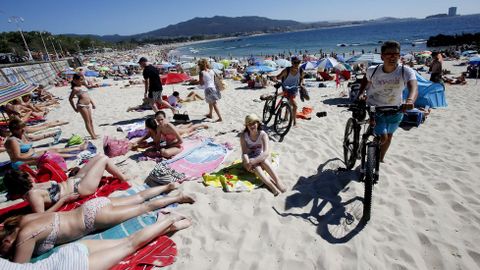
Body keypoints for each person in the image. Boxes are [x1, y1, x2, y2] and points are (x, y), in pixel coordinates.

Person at [0, 184, 194, 263]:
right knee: (139, 197)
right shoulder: (23, 220)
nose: (5, 252)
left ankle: (176, 197)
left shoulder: (26, 236)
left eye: (3, 248)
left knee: (145, 208)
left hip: (92, 219)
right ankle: (170, 189)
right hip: (90, 207)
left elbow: (20, 267)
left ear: (7, 239)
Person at [0, 211, 190, 269]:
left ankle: (170, 219)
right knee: (130, 241)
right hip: (68, 251)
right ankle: (169, 225)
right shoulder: (25, 223)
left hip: (72, 265)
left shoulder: (25, 236)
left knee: (131, 244)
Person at [2, 153, 131, 213]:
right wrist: (63, 200)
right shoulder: (32, 194)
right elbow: (41, 216)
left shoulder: (32, 187)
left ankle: (122, 176)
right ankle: (124, 178)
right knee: (104, 159)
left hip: (74, 181)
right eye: (26, 176)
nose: (29, 175)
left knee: (98, 156)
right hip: (80, 188)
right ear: (22, 181)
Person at [357, 40, 418, 162]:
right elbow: (365, 79)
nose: (393, 57)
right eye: (389, 54)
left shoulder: (405, 71)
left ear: (399, 56)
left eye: (396, 54)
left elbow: (414, 86)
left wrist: (410, 100)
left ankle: (380, 159)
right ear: (382, 56)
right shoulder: (373, 70)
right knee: (383, 136)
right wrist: (361, 93)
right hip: (375, 107)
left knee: (389, 136)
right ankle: (370, 152)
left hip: (396, 108)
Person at [4, 118, 86, 170]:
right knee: (49, 155)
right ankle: (75, 156)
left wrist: (51, 134)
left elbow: (35, 138)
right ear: (14, 130)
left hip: (30, 155)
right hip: (20, 162)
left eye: (23, 128)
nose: (23, 130)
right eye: (21, 129)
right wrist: (34, 156)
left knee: (53, 150)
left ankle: (78, 148)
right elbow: (17, 157)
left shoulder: (22, 134)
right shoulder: (13, 141)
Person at [239, 114, 286, 196]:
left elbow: (266, 152)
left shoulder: (263, 134)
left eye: (254, 123)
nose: (252, 126)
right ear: (246, 126)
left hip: (260, 157)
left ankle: (278, 182)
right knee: (256, 167)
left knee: (263, 160)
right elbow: (244, 152)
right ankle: (271, 186)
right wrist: (247, 162)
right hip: (249, 159)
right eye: (249, 124)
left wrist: (254, 161)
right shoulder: (243, 135)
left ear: (258, 123)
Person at [276, 56, 304, 126]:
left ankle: (286, 117)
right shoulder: (286, 70)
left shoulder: (301, 70)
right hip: (286, 89)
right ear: (292, 63)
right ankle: (294, 121)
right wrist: (276, 78)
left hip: (294, 89)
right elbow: (278, 77)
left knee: (289, 102)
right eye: (295, 62)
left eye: (298, 62)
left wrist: (301, 84)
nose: (297, 64)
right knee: (295, 106)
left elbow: (301, 78)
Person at [68, 74, 98, 139]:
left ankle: (94, 134)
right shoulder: (75, 89)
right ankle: (93, 136)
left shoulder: (83, 85)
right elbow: (70, 99)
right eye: (80, 79)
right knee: (87, 121)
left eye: (82, 79)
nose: (82, 81)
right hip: (81, 106)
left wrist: (93, 103)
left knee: (90, 121)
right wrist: (74, 108)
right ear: (75, 81)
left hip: (87, 105)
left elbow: (88, 95)